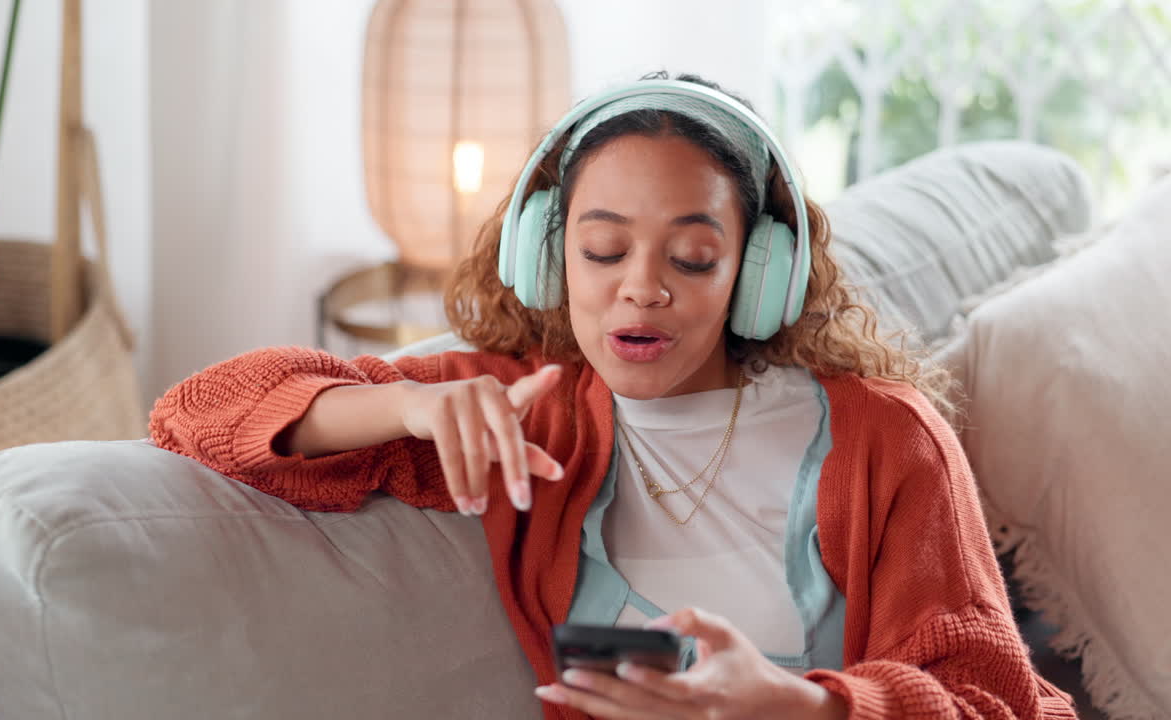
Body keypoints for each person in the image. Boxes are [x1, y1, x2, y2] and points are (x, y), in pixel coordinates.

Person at [150, 72, 1077, 720]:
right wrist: (406, 408)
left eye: (694, 257)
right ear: (550, 256)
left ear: (760, 276)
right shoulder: (530, 411)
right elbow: (193, 411)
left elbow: (993, 701)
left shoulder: (885, 440)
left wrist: (794, 707)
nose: (643, 287)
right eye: (602, 250)